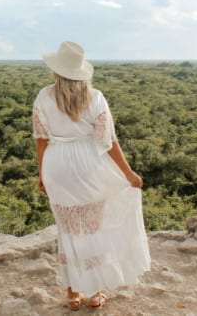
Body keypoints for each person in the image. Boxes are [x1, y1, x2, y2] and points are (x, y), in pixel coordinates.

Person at [33, 41, 151, 311]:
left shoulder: (44, 96)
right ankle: (94, 292)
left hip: (57, 164)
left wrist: (41, 174)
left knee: (68, 230)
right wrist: (128, 173)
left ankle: (73, 293)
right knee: (92, 229)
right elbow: (108, 141)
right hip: (89, 165)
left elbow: (41, 139)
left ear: (57, 70)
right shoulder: (95, 97)